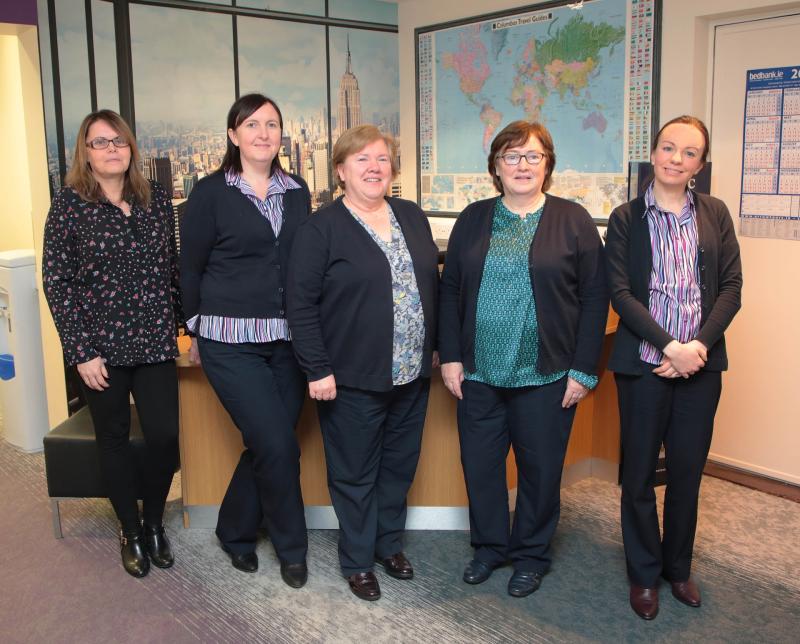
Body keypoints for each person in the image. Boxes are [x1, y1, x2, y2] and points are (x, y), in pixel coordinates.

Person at [438, 120, 608, 598]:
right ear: (496, 165)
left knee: (540, 470)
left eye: (532, 156)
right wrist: (450, 356)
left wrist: (582, 369)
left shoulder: (573, 220)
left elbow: (595, 298)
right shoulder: (473, 218)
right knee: (480, 465)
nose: (522, 166)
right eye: (511, 156)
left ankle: (531, 554)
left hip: (547, 373)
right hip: (479, 373)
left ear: (547, 164)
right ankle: (490, 547)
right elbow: (450, 290)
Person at [287, 125, 439, 601]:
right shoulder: (322, 228)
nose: (374, 168)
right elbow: (301, 304)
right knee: (354, 472)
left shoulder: (411, 216)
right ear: (340, 171)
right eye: (361, 160)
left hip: (412, 373)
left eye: (381, 159)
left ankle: (387, 544)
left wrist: (435, 348)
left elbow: (431, 287)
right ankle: (357, 559)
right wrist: (316, 368)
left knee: (398, 466)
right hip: (350, 377)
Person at [605, 115, 742, 620]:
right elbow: (621, 292)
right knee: (639, 475)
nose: (675, 159)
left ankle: (677, 568)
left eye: (688, 153)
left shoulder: (715, 214)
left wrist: (697, 347)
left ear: (699, 165)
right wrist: (669, 347)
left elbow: (731, 287)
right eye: (668, 147)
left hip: (701, 367)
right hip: (643, 366)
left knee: (686, 473)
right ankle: (643, 574)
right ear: (654, 152)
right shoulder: (625, 218)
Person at [43, 109, 183, 578]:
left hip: (155, 339)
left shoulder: (156, 200)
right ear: (85, 151)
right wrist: (80, 351)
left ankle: (154, 521)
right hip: (99, 349)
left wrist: (185, 327)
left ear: (131, 148)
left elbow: (172, 267)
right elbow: (57, 282)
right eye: (100, 142)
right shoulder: (68, 206)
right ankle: (130, 530)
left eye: (118, 141)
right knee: (114, 438)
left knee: (164, 437)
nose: (111, 150)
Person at [180, 93, 311, 589]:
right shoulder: (210, 193)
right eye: (251, 125)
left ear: (282, 135)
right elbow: (189, 266)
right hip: (229, 341)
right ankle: (292, 550)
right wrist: (194, 325)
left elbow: (303, 263)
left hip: (289, 343)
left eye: (272, 124)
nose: (263, 133)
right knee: (277, 443)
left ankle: (234, 531)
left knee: (269, 444)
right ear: (233, 135)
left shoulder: (297, 190)